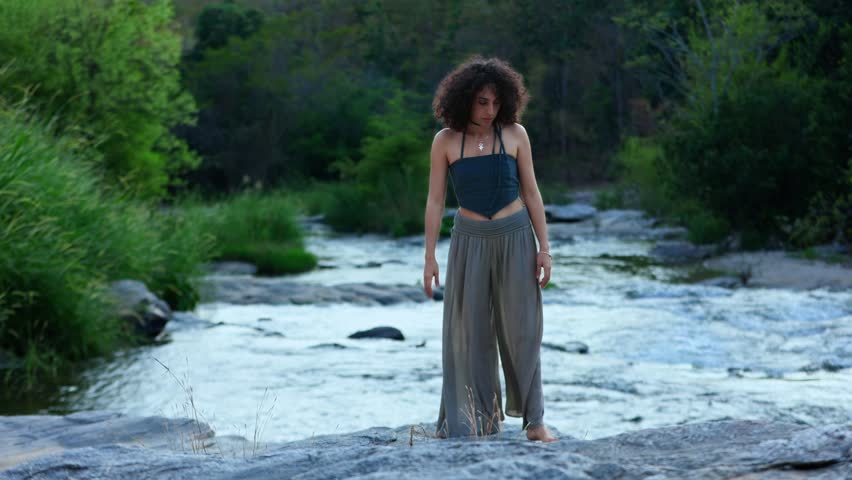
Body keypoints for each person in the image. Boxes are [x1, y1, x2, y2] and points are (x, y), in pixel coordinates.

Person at [423, 56, 558, 442]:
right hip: (468, 241)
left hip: (515, 235)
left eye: (496, 102)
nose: (489, 110)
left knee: (524, 329)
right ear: (464, 99)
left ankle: (535, 422)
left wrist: (544, 249)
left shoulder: (515, 134)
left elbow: (531, 192)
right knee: (469, 331)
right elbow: (435, 201)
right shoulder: (445, 142)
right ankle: (473, 420)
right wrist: (430, 256)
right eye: (482, 102)